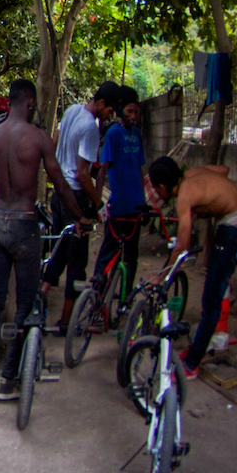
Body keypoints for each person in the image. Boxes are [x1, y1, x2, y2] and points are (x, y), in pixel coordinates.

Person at [0, 79, 89, 401]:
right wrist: (80, 216)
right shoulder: (38, 139)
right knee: (26, 301)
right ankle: (9, 379)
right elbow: (62, 186)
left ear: (9, 103)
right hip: (25, 224)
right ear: (30, 104)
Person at [147, 156, 237, 377]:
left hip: (234, 226)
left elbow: (182, 244)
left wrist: (162, 275)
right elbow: (224, 168)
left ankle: (191, 365)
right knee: (214, 288)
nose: (158, 194)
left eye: (157, 189)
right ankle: (197, 349)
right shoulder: (193, 173)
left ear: (164, 186)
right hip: (234, 222)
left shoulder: (184, 194)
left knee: (212, 299)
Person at [41, 81, 122, 332]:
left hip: (59, 194)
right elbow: (83, 173)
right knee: (77, 261)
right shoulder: (90, 128)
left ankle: (39, 297)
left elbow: (54, 142)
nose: (111, 115)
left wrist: (54, 176)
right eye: (110, 110)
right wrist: (98, 205)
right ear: (100, 104)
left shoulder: (72, 110)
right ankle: (66, 322)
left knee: (60, 251)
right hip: (76, 197)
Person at [94, 85, 146, 307]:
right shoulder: (114, 133)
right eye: (129, 112)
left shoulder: (137, 135)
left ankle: (124, 300)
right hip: (118, 207)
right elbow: (103, 168)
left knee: (131, 257)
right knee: (108, 253)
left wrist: (144, 200)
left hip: (136, 206)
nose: (134, 116)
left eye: (136, 112)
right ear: (120, 111)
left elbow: (140, 170)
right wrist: (98, 203)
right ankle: (95, 299)